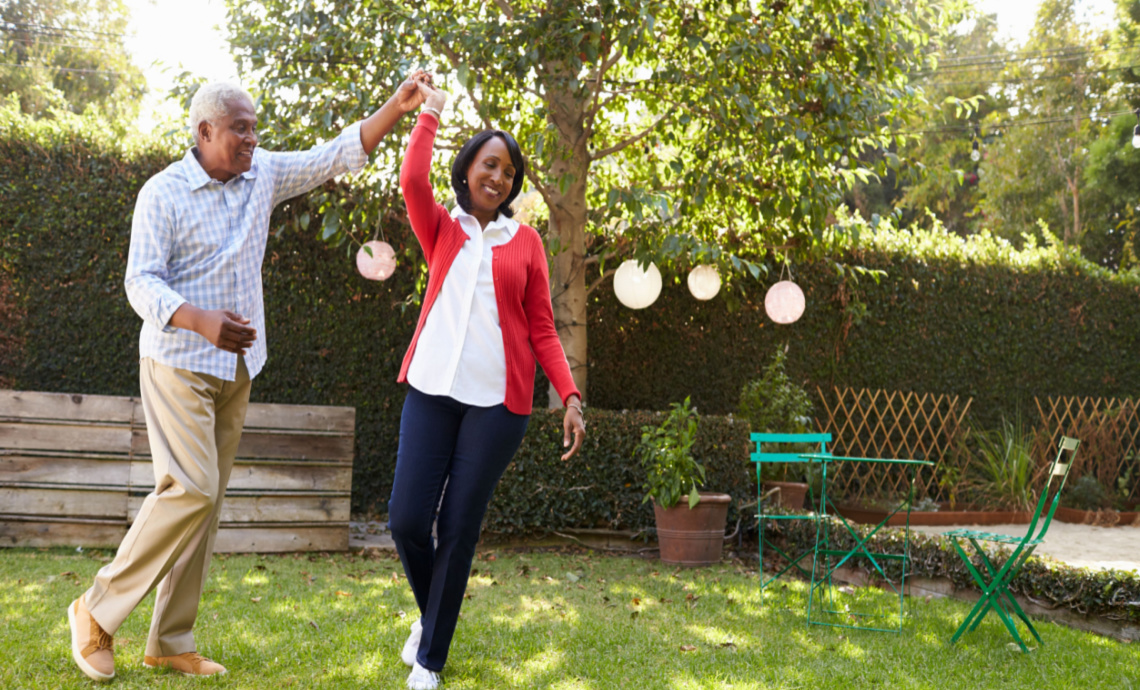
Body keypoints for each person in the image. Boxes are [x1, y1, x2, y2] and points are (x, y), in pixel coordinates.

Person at [66, 74, 433, 682]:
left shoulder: (261, 174)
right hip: (177, 360)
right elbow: (141, 282)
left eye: (255, 127)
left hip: (237, 368)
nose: (252, 139)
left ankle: (169, 639)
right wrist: (200, 319)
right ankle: (95, 609)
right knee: (190, 487)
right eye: (240, 127)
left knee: (202, 508)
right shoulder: (163, 194)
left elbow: (331, 155)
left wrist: (396, 106)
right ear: (205, 131)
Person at [387, 78, 586, 690]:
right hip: (431, 392)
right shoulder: (442, 229)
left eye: (508, 170)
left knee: (460, 527)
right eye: (488, 164)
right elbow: (411, 180)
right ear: (468, 168)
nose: (497, 177)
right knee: (406, 521)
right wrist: (433, 114)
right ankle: (434, 617)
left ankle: (430, 660)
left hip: (498, 406)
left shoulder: (524, 242)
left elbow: (544, 329)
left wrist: (570, 396)